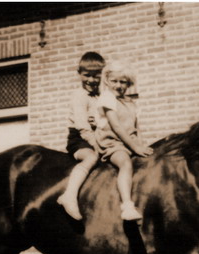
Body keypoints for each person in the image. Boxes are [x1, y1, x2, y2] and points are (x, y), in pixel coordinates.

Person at [95, 60, 153, 221]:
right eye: (114, 81)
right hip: (112, 143)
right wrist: (135, 147)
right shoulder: (107, 98)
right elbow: (116, 126)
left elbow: (137, 128)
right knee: (125, 163)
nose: (119, 85)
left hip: (130, 143)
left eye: (123, 82)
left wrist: (141, 146)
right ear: (106, 80)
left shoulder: (130, 103)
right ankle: (127, 205)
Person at [58, 51, 105, 220]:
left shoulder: (102, 96)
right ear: (79, 74)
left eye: (96, 75)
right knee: (91, 158)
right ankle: (69, 196)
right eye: (87, 75)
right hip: (80, 139)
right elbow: (83, 127)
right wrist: (99, 145)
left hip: (100, 136)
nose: (91, 80)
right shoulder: (79, 96)